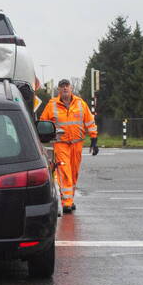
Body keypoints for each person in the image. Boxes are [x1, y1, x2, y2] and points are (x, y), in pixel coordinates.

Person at [40, 79, 98, 213]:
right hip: (61, 144)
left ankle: (70, 199)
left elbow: (89, 121)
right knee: (64, 172)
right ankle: (66, 202)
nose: (65, 88)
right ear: (58, 90)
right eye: (62, 86)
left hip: (77, 144)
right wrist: (44, 136)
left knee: (73, 172)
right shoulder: (52, 105)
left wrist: (94, 139)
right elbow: (43, 122)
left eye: (67, 86)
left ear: (71, 88)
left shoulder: (80, 103)